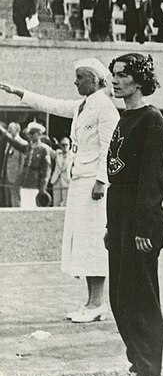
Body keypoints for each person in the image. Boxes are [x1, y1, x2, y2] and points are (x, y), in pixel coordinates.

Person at [0, 58, 119, 323]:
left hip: (94, 185)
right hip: (79, 181)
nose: (75, 82)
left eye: (80, 77)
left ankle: (98, 303)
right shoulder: (82, 105)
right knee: (82, 241)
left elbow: (110, 148)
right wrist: (19, 92)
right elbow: (51, 104)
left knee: (93, 241)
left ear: (96, 80)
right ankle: (91, 302)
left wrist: (102, 181)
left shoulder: (107, 108)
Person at [101, 54, 163, 376]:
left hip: (142, 222)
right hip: (122, 216)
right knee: (120, 297)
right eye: (113, 74)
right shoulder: (125, 117)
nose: (115, 80)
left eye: (122, 75)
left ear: (139, 80)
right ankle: (137, 366)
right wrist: (114, 226)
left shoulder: (151, 119)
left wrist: (144, 228)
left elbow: (153, 180)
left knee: (141, 298)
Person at [0, 121, 51, 209]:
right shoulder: (27, 147)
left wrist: (43, 187)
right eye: (29, 133)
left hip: (35, 185)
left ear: (39, 134)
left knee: (34, 209)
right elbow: (12, 141)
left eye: (32, 133)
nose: (30, 135)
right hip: (24, 183)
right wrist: (2, 129)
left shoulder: (43, 149)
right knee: (24, 208)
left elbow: (47, 171)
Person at [0, 122, 24, 207]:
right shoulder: (8, 143)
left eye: (11, 128)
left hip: (15, 179)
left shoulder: (22, 143)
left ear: (18, 130)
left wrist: (19, 177)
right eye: (8, 128)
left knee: (15, 201)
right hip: (6, 176)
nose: (9, 130)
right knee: (7, 202)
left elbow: (22, 163)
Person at [51, 137, 74, 207]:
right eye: (63, 145)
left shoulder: (72, 156)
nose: (64, 147)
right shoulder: (58, 154)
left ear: (70, 145)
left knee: (66, 204)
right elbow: (49, 150)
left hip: (67, 181)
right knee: (56, 203)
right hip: (56, 181)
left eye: (66, 145)